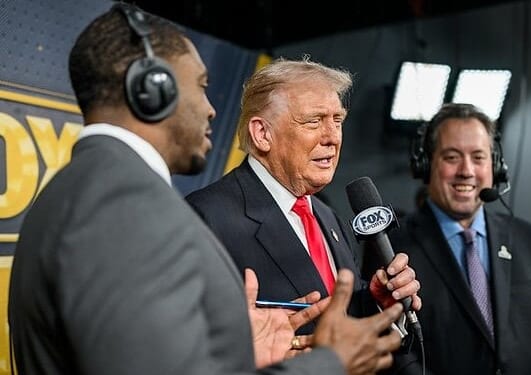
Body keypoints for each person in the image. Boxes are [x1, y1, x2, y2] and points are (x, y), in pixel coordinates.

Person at [7, 4, 407, 375]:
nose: (212, 108)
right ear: (152, 92)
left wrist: (237, 354)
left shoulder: (89, 188)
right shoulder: (121, 204)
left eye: (337, 119)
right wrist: (330, 365)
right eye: (200, 86)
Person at [185, 57, 421, 348]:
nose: (332, 137)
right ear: (262, 134)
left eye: (337, 121)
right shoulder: (205, 217)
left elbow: (340, 326)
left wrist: (377, 304)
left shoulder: (330, 218)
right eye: (314, 121)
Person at [386, 103, 531, 374]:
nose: (467, 170)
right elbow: (392, 350)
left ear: (496, 167)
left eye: (478, 157)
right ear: (425, 164)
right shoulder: (393, 247)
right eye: (452, 157)